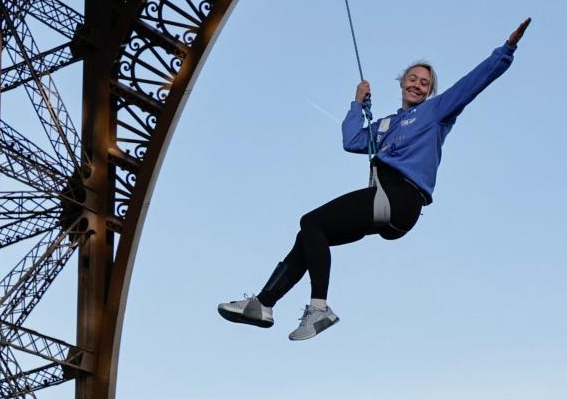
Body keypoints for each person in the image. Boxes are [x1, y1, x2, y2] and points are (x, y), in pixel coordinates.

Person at [218, 18, 531, 341]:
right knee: (310, 236)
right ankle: (264, 304)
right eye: (413, 79)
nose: (418, 85)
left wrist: (505, 50)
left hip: (402, 198)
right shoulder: (384, 126)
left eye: (425, 83)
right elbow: (352, 140)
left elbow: (472, 84)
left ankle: (319, 307)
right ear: (402, 83)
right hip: (389, 203)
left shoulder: (436, 112)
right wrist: (357, 103)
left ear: (431, 91)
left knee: (311, 222)